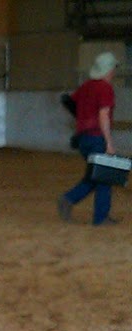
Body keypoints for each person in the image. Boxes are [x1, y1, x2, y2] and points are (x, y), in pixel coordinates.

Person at [58, 51, 118, 226]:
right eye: (113, 68)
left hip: (83, 139)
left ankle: (68, 199)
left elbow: (72, 104)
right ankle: (100, 218)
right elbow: (103, 115)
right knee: (104, 178)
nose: (114, 72)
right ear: (108, 70)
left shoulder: (86, 86)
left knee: (95, 177)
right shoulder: (105, 88)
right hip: (96, 137)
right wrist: (109, 142)